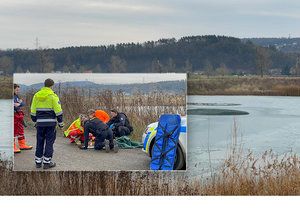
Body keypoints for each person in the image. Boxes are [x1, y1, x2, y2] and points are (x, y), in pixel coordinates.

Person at [30, 78, 64, 169]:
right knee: (49, 142)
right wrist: (61, 123)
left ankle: (38, 162)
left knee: (39, 141)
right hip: (51, 124)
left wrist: (34, 120)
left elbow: (33, 110)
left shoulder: (36, 95)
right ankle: (46, 162)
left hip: (40, 124)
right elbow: (58, 111)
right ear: (52, 86)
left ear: (44, 85)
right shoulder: (53, 96)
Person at [14, 84, 33, 153]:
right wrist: (17, 104)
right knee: (13, 131)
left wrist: (18, 104)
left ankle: (22, 144)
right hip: (13, 116)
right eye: (16, 90)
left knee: (20, 130)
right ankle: (12, 146)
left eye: (18, 90)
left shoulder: (16, 96)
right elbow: (16, 105)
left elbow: (22, 104)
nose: (18, 91)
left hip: (19, 115)